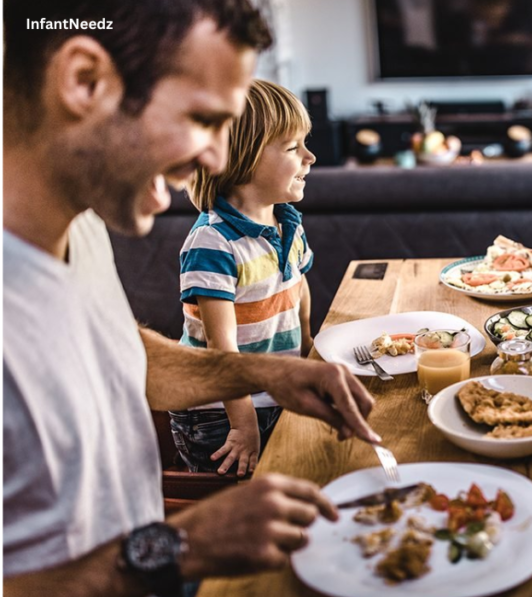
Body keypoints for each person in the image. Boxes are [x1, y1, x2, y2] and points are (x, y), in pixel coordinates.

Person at [3, 2, 381, 596]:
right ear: (84, 81)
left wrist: (268, 370)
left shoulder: (81, 226)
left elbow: (123, 358)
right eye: (203, 118)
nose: (215, 156)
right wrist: (184, 546)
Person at [170, 79, 317, 476]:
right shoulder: (213, 242)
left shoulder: (286, 221)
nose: (310, 157)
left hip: (273, 393)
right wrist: (243, 424)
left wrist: (307, 350)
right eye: (292, 148)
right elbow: (223, 347)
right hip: (220, 414)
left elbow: (297, 287)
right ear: (243, 158)